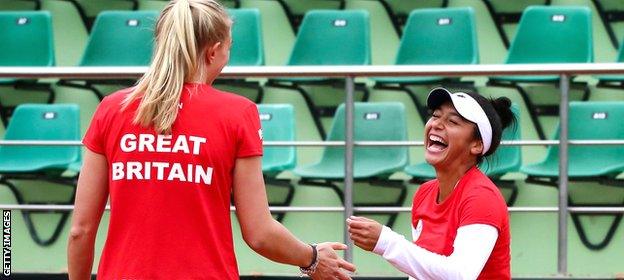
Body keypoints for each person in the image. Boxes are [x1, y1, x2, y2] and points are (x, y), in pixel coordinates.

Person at [67, 1, 355, 279]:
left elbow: (80, 230)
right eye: (229, 49)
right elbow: (259, 233)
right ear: (214, 51)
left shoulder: (111, 108)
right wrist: (313, 257)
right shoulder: (238, 113)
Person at [347, 87, 514, 279]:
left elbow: (460, 275)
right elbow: (423, 273)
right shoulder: (424, 193)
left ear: (476, 145)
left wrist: (386, 242)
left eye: (452, 121)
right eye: (435, 116)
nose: (436, 124)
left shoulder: (482, 197)